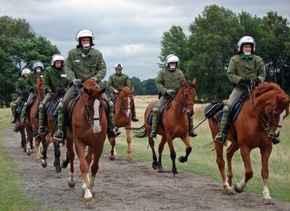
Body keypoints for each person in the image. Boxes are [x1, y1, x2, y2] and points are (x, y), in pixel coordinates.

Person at [53, 29, 121, 141]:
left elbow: (102, 69)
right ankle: (61, 130)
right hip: (77, 86)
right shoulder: (72, 53)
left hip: (93, 87)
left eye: (87, 40)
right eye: (83, 40)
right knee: (62, 104)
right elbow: (68, 68)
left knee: (109, 104)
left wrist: (96, 78)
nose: (86, 42)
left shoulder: (97, 54)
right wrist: (73, 79)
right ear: (79, 42)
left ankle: (111, 128)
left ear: (91, 41)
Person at [214, 35, 268, 143]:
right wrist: (241, 80)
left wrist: (258, 80)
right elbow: (230, 74)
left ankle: (271, 133)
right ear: (241, 48)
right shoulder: (234, 59)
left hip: (256, 89)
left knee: (269, 107)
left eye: (249, 47)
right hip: (240, 89)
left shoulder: (258, 59)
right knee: (227, 108)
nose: (248, 48)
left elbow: (263, 74)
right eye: (246, 46)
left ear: (253, 48)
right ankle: (222, 133)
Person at [150, 54, 197, 138]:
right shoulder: (162, 72)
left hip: (177, 97)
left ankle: (191, 130)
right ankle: (153, 130)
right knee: (156, 109)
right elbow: (158, 83)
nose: (173, 64)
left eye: (174, 63)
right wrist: (166, 91)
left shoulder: (179, 72)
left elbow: (184, 83)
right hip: (166, 96)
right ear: (168, 63)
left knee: (188, 109)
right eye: (171, 63)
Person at [38, 54, 70, 134]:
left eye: (60, 62)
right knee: (42, 105)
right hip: (52, 92)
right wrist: (49, 90)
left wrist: (67, 89)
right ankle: (41, 126)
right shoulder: (48, 70)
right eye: (57, 62)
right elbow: (45, 82)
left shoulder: (66, 70)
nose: (59, 64)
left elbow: (69, 81)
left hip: (65, 92)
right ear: (54, 63)